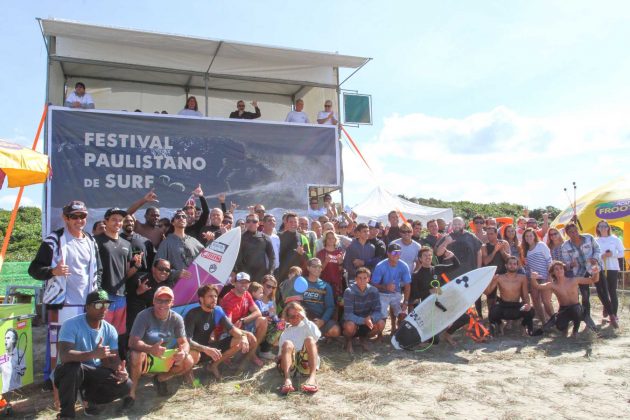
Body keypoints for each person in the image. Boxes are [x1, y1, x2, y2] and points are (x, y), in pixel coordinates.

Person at [28, 200, 102, 390]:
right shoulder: (53, 240)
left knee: (85, 345)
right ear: (65, 218)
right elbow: (34, 269)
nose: (79, 220)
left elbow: (98, 270)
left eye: (82, 216)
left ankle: (81, 383)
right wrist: (53, 271)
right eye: (74, 216)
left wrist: (96, 294)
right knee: (59, 347)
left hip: (86, 305)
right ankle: (55, 384)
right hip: (62, 304)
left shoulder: (91, 240)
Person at [54, 290, 132, 417]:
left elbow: (115, 360)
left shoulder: (110, 330)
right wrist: (93, 354)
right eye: (98, 305)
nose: (103, 309)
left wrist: (121, 372)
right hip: (69, 373)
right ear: (87, 307)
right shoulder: (70, 325)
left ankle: (90, 400)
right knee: (73, 368)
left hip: (93, 373)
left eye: (106, 305)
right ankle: (66, 415)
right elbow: (64, 356)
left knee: (126, 384)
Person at [128, 287, 193, 403]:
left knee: (189, 360)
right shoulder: (143, 316)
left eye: (167, 301)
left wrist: (183, 352)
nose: (163, 304)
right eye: (159, 300)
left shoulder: (176, 318)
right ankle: (131, 394)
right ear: (153, 301)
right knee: (135, 354)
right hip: (146, 356)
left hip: (163, 355)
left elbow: (184, 342)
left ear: (172, 303)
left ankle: (160, 379)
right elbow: (132, 342)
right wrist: (150, 349)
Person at [95, 207, 142, 360]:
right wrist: (98, 294)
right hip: (103, 295)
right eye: (114, 219)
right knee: (100, 332)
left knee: (118, 334)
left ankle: (117, 363)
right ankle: (99, 365)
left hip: (121, 295)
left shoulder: (126, 244)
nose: (118, 223)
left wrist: (135, 266)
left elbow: (126, 275)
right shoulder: (97, 241)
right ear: (106, 221)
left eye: (120, 220)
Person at [185, 285, 255, 380]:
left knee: (238, 340)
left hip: (210, 350)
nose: (214, 299)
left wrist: (243, 336)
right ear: (201, 299)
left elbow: (232, 329)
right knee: (194, 353)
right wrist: (205, 349)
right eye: (210, 296)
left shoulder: (218, 310)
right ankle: (188, 373)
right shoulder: (193, 314)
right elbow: (187, 341)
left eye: (215, 296)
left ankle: (213, 366)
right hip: (196, 351)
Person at [409, 246, 464, 346]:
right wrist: (429, 291)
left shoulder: (437, 269)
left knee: (465, 317)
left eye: (430, 255)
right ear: (420, 259)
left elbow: (456, 266)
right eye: (425, 255)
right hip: (428, 306)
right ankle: (435, 333)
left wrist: (452, 256)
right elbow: (415, 294)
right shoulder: (416, 275)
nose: (428, 257)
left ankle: (447, 333)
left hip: (441, 301)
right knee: (435, 341)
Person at [532, 261, 600, 337]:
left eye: (561, 268)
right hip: (564, 310)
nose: (559, 270)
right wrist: (533, 278)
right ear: (553, 272)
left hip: (577, 308)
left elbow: (593, 280)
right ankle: (564, 328)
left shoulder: (574, 280)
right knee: (560, 326)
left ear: (564, 270)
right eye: (556, 269)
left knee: (576, 309)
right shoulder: (552, 285)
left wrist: (596, 272)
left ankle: (575, 331)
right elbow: (537, 286)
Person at [218, 272, 267, 367]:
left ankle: (251, 354)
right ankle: (230, 356)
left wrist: (243, 320)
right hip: (226, 332)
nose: (244, 285)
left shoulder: (246, 294)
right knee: (248, 335)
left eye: (246, 282)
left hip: (240, 326)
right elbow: (228, 326)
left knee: (263, 320)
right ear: (234, 283)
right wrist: (245, 333)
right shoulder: (229, 298)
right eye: (241, 282)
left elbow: (258, 312)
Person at [560, 222, 602, 331]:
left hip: (594, 269)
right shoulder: (565, 246)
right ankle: (583, 318)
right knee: (584, 296)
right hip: (579, 273)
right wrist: (570, 265)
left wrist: (595, 258)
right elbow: (566, 263)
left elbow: (597, 249)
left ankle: (611, 315)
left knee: (603, 292)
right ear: (567, 234)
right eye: (571, 232)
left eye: (575, 231)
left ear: (578, 230)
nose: (574, 233)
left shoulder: (589, 238)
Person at [484, 257, 538, 337]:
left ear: (517, 266)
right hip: (503, 306)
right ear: (506, 265)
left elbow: (525, 295)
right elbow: (487, 292)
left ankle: (524, 327)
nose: (512, 266)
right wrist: (491, 280)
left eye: (514, 264)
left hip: (516, 306)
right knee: (492, 311)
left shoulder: (522, 278)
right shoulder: (499, 277)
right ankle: (500, 325)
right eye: (510, 264)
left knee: (531, 311)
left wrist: (527, 304)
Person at [277, 302, 321, 395]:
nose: (296, 318)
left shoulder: (308, 325)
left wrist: (304, 319)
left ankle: (312, 378)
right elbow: (280, 354)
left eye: (298, 315)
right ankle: (287, 380)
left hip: (306, 365)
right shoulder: (285, 331)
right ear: (287, 318)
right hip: (291, 368)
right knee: (287, 343)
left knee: (310, 339)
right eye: (292, 316)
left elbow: (317, 336)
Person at [125, 259, 175, 335]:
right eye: (161, 269)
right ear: (153, 269)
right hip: (134, 321)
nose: (164, 272)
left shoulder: (167, 286)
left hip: (154, 323)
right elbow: (124, 297)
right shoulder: (139, 278)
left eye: (167, 270)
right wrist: (137, 292)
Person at [371, 243, 412, 333]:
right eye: (394, 253)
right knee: (382, 317)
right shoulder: (380, 266)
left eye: (399, 253)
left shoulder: (403, 266)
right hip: (382, 293)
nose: (396, 255)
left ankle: (398, 331)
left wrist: (405, 302)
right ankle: (379, 335)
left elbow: (407, 285)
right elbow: (373, 284)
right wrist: (385, 286)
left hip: (396, 293)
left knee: (403, 315)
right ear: (388, 254)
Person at [342, 267, 384, 353]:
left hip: (367, 321)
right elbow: (348, 315)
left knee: (381, 323)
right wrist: (364, 320)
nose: (362, 280)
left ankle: (363, 338)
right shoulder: (349, 291)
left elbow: (378, 311)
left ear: (369, 279)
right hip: (353, 321)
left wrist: (370, 318)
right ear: (355, 279)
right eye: (360, 278)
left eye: (365, 278)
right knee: (349, 325)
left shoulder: (374, 291)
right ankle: (349, 341)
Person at [156, 210, 204, 282]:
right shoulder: (166, 243)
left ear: (186, 221)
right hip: (177, 286)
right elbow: (157, 267)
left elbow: (207, 257)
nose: (181, 218)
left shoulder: (194, 241)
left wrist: (210, 240)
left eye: (184, 216)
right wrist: (176, 274)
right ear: (172, 222)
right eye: (178, 217)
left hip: (195, 284)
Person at [300, 258, 340, 338]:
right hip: (303, 318)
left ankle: (318, 335)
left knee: (335, 331)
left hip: (319, 319)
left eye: (319, 267)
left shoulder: (326, 286)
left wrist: (322, 321)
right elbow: (296, 302)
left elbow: (330, 307)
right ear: (308, 268)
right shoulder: (302, 282)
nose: (318, 269)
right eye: (314, 266)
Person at [594, 220, 623, 328]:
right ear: (597, 228)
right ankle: (607, 306)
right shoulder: (595, 240)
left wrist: (612, 254)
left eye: (604, 226)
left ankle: (614, 315)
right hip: (600, 269)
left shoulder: (615, 239)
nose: (602, 228)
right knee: (601, 291)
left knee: (612, 291)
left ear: (608, 227)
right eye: (600, 226)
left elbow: (621, 253)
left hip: (612, 268)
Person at [521, 227, 553, 322]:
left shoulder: (541, 245)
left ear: (534, 236)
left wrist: (549, 276)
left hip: (544, 277)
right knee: (535, 301)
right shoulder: (526, 250)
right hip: (533, 279)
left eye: (530, 235)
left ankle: (553, 320)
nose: (528, 237)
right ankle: (544, 322)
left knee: (546, 301)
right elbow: (528, 267)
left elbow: (549, 260)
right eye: (526, 236)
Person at [235, 214, 275, 282]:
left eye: (254, 221)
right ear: (246, 224)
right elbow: (237, 258)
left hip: (261, 275)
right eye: (248, 221)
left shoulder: (265, 238)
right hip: (244, 275)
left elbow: (272, 257)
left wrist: (270, 273)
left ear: (258, 223)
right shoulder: (239, 238)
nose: (251, 223)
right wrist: (238, 273)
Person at [481, 226, 510, 313]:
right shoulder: (484, 246)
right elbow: (485, 261)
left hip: (503, 273)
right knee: (490, 298)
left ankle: (507, 316)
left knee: (506, 296)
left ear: (496, 234)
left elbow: (509, 259)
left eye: (491, 234)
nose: (489, 236)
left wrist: (501, 251)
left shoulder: (504, 243)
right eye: (488, 234)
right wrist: (495, 250)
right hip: (491, 275)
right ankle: (492, 318)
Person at [317, 230, 345, 312]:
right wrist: (325, 261)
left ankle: (335, 323)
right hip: (324, 284)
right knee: (325, 305)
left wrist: (340, 263)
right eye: (329, 238)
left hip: (337, 284)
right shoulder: (321, 253)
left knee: (336, 306)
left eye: (333, 238)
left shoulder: (339, 252)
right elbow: (318, 271)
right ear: (325, 240)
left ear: (335, 240)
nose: (331, 240)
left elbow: (341, 271)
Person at [277, 212, 309, 282]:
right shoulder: (279, 237)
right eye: (291, 222)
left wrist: (302, 253)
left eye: (295, 222)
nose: (293, 224)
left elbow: (308, 258)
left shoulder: (302, 237)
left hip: (297, 274)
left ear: (298, 223)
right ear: (286, 223)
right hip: (282, 275)